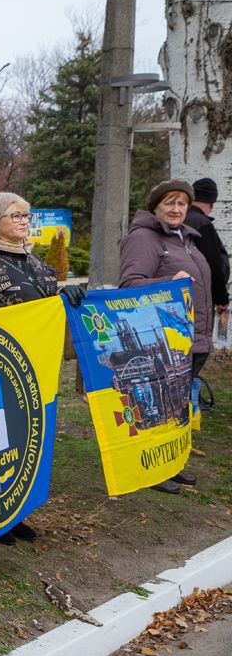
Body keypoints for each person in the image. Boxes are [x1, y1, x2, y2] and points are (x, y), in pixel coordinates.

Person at [0, 192, 85, 541]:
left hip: (35, 372)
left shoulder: (38, 265)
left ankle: (14, 512)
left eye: (26, 215)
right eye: (15, 215)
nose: (24, 221)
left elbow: (42, 310)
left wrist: (64, 296)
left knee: (23, 443)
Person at [120, 179, 212, 493]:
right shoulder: (145, 238)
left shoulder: (183, 238)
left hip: (191, 339)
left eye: (182, 204)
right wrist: (168, 280)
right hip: (163, 343)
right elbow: (129, 286)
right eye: (169, 203)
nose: (175, 209)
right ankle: (153, 471)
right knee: (159, 407)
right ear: (156, 206)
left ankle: (173, 464)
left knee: (179, 408)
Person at [186, 178, 229, 315]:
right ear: (211, 204)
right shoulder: (202, 222)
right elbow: (213, 263)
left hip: (179, 292)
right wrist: (221, 297)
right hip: (201, 295)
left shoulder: (178, 218)